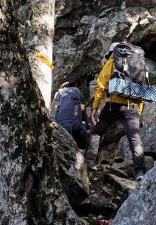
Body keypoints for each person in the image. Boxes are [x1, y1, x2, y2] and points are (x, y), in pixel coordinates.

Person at [86, 43, 146, 180]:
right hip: (133, 106)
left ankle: (90, 162)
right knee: (134, 138)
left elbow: (102, 85)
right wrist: (139, 112)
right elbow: (141, 90)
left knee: (97, 132)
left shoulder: (112, 61)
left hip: (113, 104)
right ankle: (140, 171)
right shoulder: (138, 63)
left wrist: (95, 107)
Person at [50, 80, 88, 149]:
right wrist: (87, 125)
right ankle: (82, 151)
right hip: (75, 126)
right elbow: (82, 109)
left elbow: (53, 112)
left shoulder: (59, 93)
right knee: (83, 126)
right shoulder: (77, 91)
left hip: (61, 127)